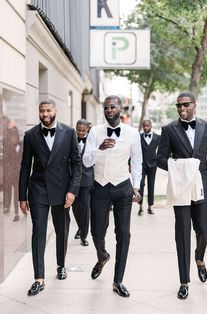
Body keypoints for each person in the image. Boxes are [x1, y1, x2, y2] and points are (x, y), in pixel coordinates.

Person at [156, 91, 207, 300]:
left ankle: (199, 258)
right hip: (181, 190)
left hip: (203, 188)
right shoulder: (168, 129)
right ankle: (184, 281)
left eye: (186, 105)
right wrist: (180, 167)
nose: (182, 109)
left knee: (204, 230)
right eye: (178, 106)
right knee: (182, 235)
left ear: (194, 105)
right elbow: (160, 159)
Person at [19, 99, 81, 296]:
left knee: (62, 230)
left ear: (55, 111)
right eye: (41, 111)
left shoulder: (69, 132)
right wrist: (22, 195)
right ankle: (39, 277)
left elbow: (76, 164)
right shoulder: (30, 135)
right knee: (39, 232)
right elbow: (25, 166)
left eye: (48, 110)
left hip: (62, 191)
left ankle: (61, 265)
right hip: (38, 190)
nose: (45, 114)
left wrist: (72, 190)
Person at [83, 95, 142, 298]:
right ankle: (102, 256)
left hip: (122, 188)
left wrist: (136, 187)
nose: (109, 110)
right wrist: (99, 149)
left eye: (113, 107)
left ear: (120, 109)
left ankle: (118, 281)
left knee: (123, 233)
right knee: (97, 233)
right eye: (106, 107)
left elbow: (137, 162)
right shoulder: (95, 132)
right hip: (99, 187)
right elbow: (86, 161)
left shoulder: (133, 134)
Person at [72, 119, 94, 246]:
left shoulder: (92, 141)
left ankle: (84, 236)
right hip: (73, 180)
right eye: (78, 130)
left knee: (85, 208)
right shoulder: (71, 139)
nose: (80, 133)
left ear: (87, 130)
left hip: (86, 180)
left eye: (83, 130)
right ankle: (80, 227)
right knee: (75, 208)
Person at [138, 119, 160, 215]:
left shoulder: (157, 137)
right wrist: (130, 163)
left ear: (151, 126)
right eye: (144, 126)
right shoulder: (138, 137)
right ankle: (140, 206)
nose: (146, 128)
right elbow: (134, 152)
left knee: (151, 185)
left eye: (147, 126)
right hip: (141, 165)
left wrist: (158, 160)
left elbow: (162, 150)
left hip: (153, 165)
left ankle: (150, 206)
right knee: (141, 185)